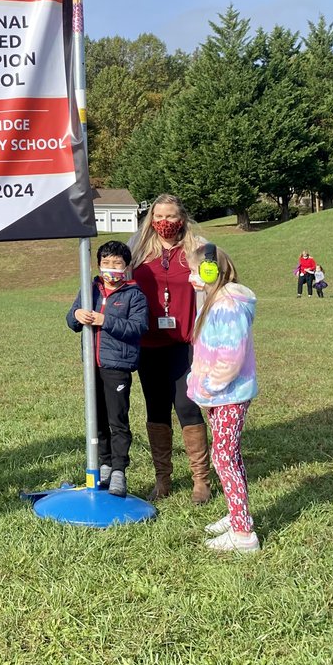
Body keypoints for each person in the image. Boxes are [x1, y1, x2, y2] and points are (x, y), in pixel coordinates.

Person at [129, 194, 213, 504]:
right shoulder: (136, 249)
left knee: (187, 405)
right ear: (151, 218)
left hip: (185, 343)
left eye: (171, 216)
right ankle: (162, 479)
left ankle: (201, 480)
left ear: (183, 218)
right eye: (159, 216)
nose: (165, 222)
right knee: (156, 408)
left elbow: (218, 285)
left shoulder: (199, 249)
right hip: (148, 343)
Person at [186, 243, 259, 553]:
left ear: (211, 270)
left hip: (228, 394)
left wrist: (210, 387)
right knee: (230, 455)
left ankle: (244, 535)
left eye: (194, 270)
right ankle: (237, 513)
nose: (190, 277)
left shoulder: (227, 306)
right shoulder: (213, 301)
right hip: (221, 395)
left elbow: (230, 356)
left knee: (223, 458)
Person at [66, 241, 149, 498]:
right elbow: (71, 319)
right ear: (99, 264)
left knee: (117, 420)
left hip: (117, 366)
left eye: (117, 263)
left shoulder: (134, 295)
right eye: (106, 263)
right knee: (97, 419)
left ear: (126, 266)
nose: (111, 268)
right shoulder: (90, 289)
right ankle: (103, 463)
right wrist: (78, 314)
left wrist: (106, 320)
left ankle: (119, 471)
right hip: (92, 365)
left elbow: (138, 328)